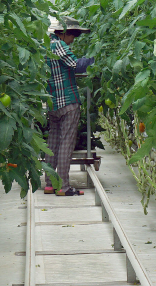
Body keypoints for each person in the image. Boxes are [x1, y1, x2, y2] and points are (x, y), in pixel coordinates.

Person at [44, 17, 94, 196]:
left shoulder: (46, 45)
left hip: (53, 102)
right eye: (73, 35)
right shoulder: (58, 45)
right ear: (64, 33)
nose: (73, 40)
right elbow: (77, 66)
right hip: (68, 101)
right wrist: (95, 58)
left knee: (53, 142)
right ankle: (63, 186)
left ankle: (49, 184)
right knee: (66, 142)